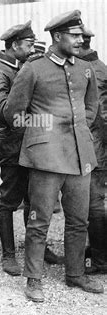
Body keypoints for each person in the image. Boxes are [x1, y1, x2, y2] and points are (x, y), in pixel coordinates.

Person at [5, 10, 104, 302]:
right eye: (74, 35)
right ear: (57, 37)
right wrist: (45, 131)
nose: (80, 39)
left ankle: (75, 273)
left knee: (79, 221)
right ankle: (33, 278)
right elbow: (13, 114)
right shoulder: (33, 69)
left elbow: (91, 110)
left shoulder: (84, 69)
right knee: (39, 219)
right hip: (46, 158)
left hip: (79, 155)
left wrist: (73, 132)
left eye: (81, 35)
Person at [0, 22, 38, 275]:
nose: (32, 49)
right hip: (12, 148)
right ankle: (8, 254)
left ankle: (36, 248)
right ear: (15, 46)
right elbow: (5, 113)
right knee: (8, 201)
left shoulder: (20, 66)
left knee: (34, 198)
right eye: (28, 45)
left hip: (31, 145)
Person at [78, 26, 107, 275]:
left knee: (94, 204)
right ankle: (96, 250)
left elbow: (100, 116)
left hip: (95, 146)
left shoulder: (89, 70)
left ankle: (100, 260)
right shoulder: (101, 67)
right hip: (98, 144)